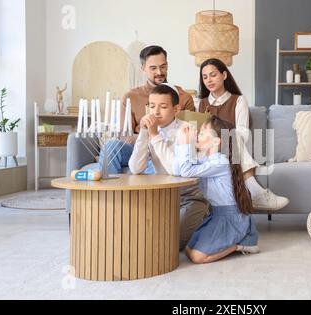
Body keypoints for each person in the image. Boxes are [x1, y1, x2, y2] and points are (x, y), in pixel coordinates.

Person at [198, 58, 289, 211]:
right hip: (207, 150)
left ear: (224, 75)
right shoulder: (200, 103)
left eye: (213, 75)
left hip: (233, 148)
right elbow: (197, 134)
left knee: (233, 136)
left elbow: (243, 132)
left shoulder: (238, 101)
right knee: (228, 137)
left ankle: (256, 194)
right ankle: (256, 193)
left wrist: (222, 139)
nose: (209, 80)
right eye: (205, 77)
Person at [128, 84, 209, 250]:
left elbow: (176, 170)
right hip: (162, 197)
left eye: (163, 107)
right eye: (152, 106)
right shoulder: (150, 130)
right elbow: (135, 168)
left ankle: (204, 220)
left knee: (171, 242)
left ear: (176, 109)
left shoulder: (187, 130)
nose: (156, 112)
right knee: (138, 235)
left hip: (190, 197)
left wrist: (154, 135)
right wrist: (144, 133)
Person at [174, 115, 259, 264]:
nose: (197, 135)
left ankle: (240, 245)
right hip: (216, 215)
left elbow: (186, 171)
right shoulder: (207, 160)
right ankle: (233, 242)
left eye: (201, 133)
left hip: (230, 218)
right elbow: (178, 169)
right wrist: (182, 143)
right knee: (187, 249)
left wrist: (185, 146)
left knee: (197, 257)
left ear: (216, 141)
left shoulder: (220, 161)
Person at [98, 45, 194, 174]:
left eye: (163, 66)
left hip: (170, 148)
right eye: (153, 68)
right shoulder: (130, 97)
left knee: (157, 163)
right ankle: (109, 193)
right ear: (143, 68)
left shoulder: (183, 97)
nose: (159, 72)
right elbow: (123, 134)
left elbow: (187, 134)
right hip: (138, 146)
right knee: (110, 147)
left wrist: (156, 137)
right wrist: (145, 135)